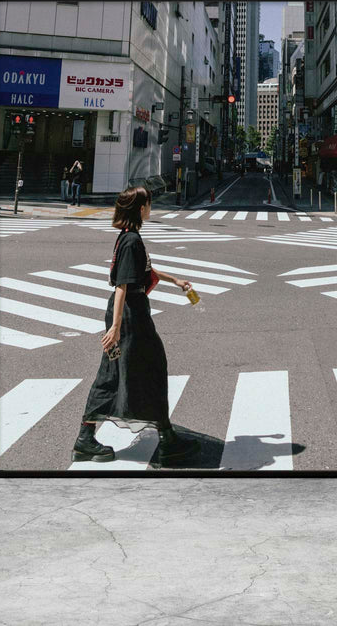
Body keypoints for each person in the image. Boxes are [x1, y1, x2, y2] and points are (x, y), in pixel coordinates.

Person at [71, 186, 200, 466]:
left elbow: (144, 272)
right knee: (116, 374)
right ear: (140, 208)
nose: (151, 207)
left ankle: (165, 436)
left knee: (145, 370)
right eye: (149, 203)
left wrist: (175, 280)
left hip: (132, 315)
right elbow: (121, 287)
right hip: (129, 317)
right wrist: (116, 328)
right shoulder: (130, 240)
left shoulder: (129, 238)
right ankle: (87, 438)